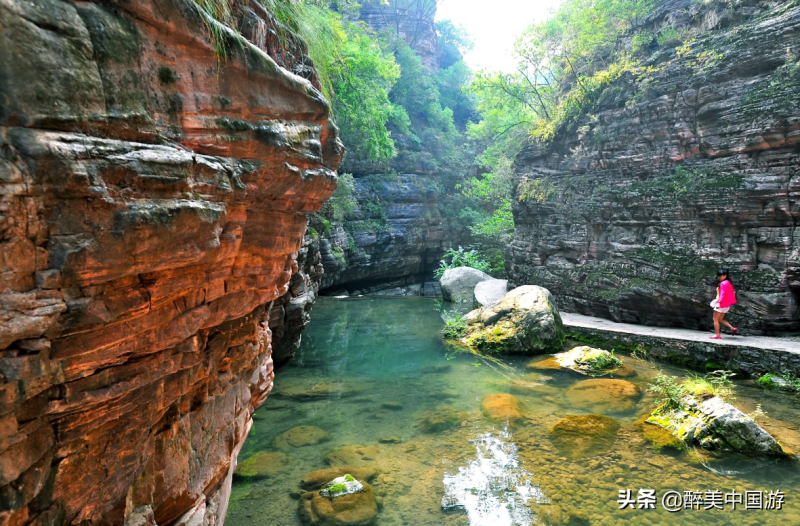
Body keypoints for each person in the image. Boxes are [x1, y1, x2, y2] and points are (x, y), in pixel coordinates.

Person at [710, 268, 737, 339]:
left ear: (725, 275)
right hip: (727, 305)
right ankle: (732, 328)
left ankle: (717, 335)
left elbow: (723, 294)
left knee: (715, 320)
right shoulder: (729, 283)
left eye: (720, 275)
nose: (719, 277)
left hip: (721, 304)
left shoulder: (723, 283)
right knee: (720, 319)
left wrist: (719, 302)